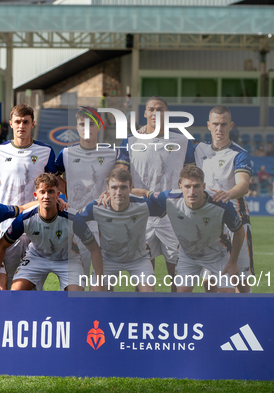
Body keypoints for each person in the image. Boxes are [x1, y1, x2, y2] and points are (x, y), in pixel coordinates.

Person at [120, 96, 195, 291]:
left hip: (174, 216)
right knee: (144, 280)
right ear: (145, 113)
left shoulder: (183, 140)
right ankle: (145, 318)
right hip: (141, 215)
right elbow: (120, 176)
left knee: (178, 277)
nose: (155, 113)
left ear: (167, 113)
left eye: (160, 109)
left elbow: (192, 176)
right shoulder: (130, 140)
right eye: (151, 109)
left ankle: (178, 318)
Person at [0, 104, 58, 287]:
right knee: (9, 279)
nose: (21, 126)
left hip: (37, 222)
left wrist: (64, 202)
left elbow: (54, 184)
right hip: (8, 221)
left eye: (25, 122)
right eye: (17, 121)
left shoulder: (46, 151)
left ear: (33, 123)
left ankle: (32, 315)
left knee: (33, 281)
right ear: (10, 123)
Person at [140, 166, 244, 293]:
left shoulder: (221, 204)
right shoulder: (169, 198)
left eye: (196, 186)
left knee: (227, 295)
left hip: (218, 255)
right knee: (182, 296)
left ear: (204, 186)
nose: (192, 191)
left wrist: (233, 262)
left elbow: (239, 232)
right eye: (187, 186)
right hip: (188, 255)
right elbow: (145, 193)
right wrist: (111, 196)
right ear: (180, 186)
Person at [0, 173, 102, 292]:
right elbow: (1, 246)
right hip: (36, 257)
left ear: (58, 194)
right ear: (36, 195)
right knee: (17, 291)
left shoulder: (73, 217)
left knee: (76, 296)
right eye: (42, 192)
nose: (46, 196)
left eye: (51, 192)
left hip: (68, 260)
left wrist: (99, 282)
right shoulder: (25, 218)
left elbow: (94, 248)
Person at [55, 107, 121, 285]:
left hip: (105, 222)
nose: (87, 128)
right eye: (82, 124)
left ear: (99, 126)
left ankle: (104, 311)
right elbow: (52, 177)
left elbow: (123, 176)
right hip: (77, 221)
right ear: (76, 127)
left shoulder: (112, 153)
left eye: (91, 124)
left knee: (105, 281)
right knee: (79, 279)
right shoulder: (66, 154)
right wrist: (67, 190)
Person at [75, 168, 166, 292]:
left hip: (138, 259)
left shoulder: (144, 205)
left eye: (123, 187)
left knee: (148, 296)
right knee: (95, 295)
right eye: (114, 187)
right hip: (108, 259)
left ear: (131, 188)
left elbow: (166, 205)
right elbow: (74, 219)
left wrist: (145, 192)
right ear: (107, 188)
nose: (119, 192)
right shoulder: (96, 207)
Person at [194, 105, 253, 294]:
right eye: (216, 124)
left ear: (231, 125)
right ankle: (217, 321)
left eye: (224, 124)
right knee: (210, 282)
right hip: (207, 222)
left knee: (239, 279)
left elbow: (243, 184)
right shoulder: (198, 150)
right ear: (208, 125)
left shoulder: (239, 153)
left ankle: (247, 318)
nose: (219, 129)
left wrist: (228, 194)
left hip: (235, 221)